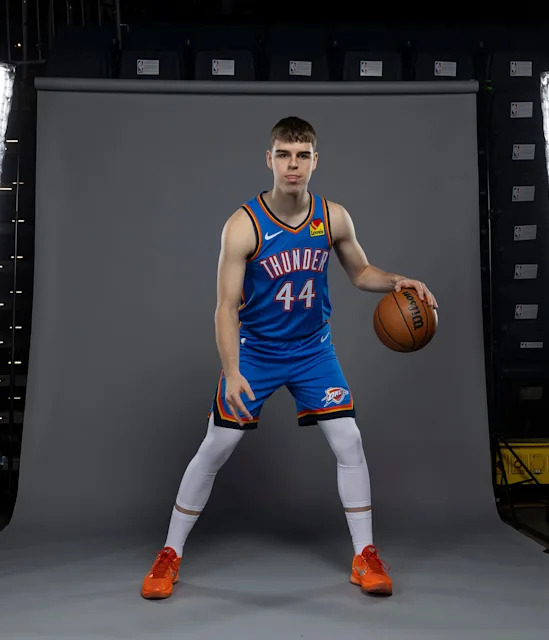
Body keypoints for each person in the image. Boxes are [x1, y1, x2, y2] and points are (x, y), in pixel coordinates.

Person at [141, 116, 438, 600]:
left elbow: (360, 272)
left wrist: (397, 281)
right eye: (284, 154)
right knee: (216, 446)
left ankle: (364, 557)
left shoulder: (333, 216)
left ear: (315, 160)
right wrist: (233, 370)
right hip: (255, 353)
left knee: (349, 441)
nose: (293, 165)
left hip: (313, 352)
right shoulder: (244, 225)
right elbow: (224, 307)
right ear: (270, 159)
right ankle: (169, 555)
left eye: (302, 155)